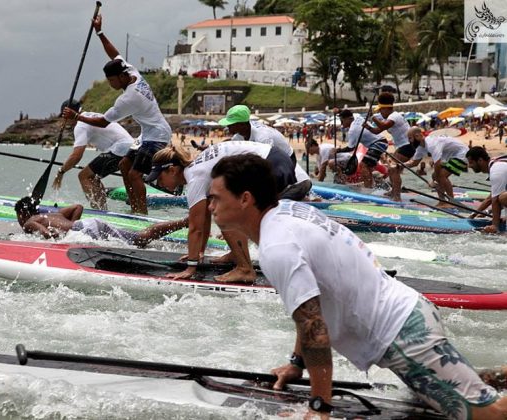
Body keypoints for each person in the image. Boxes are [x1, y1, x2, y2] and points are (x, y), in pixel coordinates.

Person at [207, 153, 507, 420]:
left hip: (403, 336)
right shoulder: (286, 212)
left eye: (216, 198)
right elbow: (312, 305)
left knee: (489, 415)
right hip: (407, 319)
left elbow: (314, 327)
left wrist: (319, 408)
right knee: (456, 393)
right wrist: (296, 364)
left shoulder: (278, 246)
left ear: (245, 198)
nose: (210, 207)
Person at [62, 15, 172, 214]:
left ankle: (141, 212)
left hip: (158, 135)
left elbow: (102, 122)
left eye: (113, 81)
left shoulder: (129, 98)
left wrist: (76, 117)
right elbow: (115, 54)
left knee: (135, 173)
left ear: (122, 77)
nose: (111, 85)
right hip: (146, 134)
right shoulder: (132, 72)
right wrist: (99, 32)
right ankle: (134, 209)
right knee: (124, 164)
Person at [145, 141, 298, 284]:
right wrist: (199, 253)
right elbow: (203, 217)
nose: (160, 184)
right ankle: (237, 254)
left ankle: (244, 268)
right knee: (224, 209)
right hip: (277, 159)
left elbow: (195, 228)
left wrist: (190, 268)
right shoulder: (197, 170)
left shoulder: (195, 178)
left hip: (271, 165)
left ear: (172, 170)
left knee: (225, 215)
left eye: (159, 178)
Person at [52, 100, 133, 210]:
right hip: (131, 148)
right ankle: (103, 209)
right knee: (94, 177)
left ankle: (99, 211)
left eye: (64, 116)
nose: (64, 120)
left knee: (84, 176)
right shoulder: (89, 116)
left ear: (69, 113)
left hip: (120, 149)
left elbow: (76, 156)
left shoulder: (80, 126)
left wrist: (61, 171)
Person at [219, 104, 311, 198]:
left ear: (242, 125)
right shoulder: (238, 136)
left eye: (231, 124)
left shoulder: (262, 137)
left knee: (269, 196)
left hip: (285, 159)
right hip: (271, 160)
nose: (228, 127)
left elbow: (267, 164)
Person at [14, 196, 188, 246]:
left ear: (21, 213)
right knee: (140, 238)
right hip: (92, 223)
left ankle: (184, 222)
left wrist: (68, 236)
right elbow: (78, 207)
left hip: (85, 230)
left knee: (139, 239)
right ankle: (184, 222)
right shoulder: (53, 214)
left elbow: (45, 234)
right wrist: (73, 228)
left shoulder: (30, 222)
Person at [362, 92, 415, 201]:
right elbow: (377, 131)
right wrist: (367, 127)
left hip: (407, 146)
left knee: (393, 170)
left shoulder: (394, 116)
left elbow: (383, 125)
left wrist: (372, 117)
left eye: (380, 110)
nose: (380, 113)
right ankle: (393, 191)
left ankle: (397, 196)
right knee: (392, 169)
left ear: (386, 108)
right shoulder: (389, 118)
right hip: (401, 147)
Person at [406, 127, 469, 205]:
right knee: (436, 176)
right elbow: (414, 163)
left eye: (410, 138)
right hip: (451, 156)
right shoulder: (420, 147)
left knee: (440, 176)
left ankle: (451, 202)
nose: (409, 141)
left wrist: (434, 182)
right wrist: (400, 166)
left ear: (418, 136)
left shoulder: (431, 144)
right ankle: (442, 201)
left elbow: (438, 164)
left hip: (462, 154)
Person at [336, 109, 388, 188]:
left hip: (378, 143)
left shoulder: (352, 130)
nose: (341, 122)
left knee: (363, 165)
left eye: (342, 120)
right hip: (381, 142)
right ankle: (374, 185)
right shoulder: (357, 117)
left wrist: (338, 151)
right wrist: (339, 111)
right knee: (368, 167)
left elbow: (350, 148)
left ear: (348, 119)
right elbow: (349, 112)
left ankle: (368, 188)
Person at [465, 146, 507, 234]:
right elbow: (490, 198)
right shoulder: (495, 164)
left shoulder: (496, 171)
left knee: (502, 198)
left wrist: (494, 225)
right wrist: (473, 215)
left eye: (471, 162)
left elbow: (495, 200)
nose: (469, 166)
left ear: (480, 160)